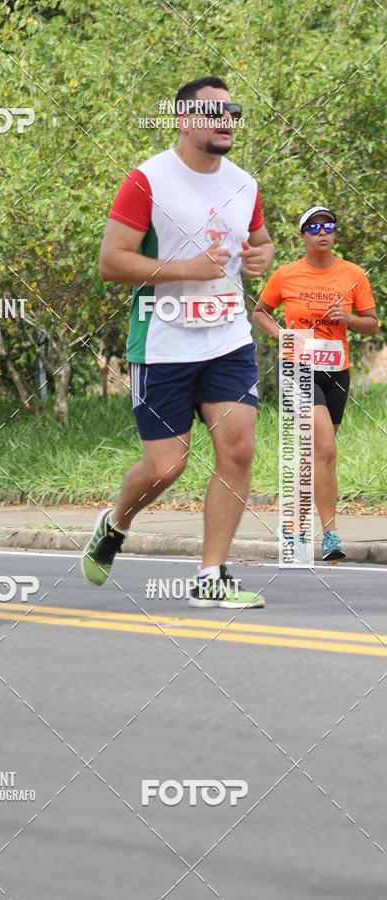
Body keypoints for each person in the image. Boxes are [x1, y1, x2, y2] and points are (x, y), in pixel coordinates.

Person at [82, 76, 275, 608]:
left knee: (237, 449)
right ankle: (115, 522)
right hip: (163, 341)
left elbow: (259, 243)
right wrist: (182, 268)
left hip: (227, 340)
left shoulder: (244, 184)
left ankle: (211, 574)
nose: (226, 120)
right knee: (167, 467)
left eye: (232, 111)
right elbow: (112, 261)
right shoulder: (147, 181)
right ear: (183, 120)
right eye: (214, 113)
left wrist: (264, 257)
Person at [253, 206, 379, 561]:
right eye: (314, 227)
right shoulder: (286, 275)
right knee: (323, 448)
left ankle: (293, 521)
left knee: (318, 454)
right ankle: (330, 534)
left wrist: (349, 317)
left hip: (336, 370)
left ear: (335, 232)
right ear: (303, 235)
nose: (322, 232)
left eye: (328, 226)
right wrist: (283, 336)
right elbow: (259, 312)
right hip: (297, 368)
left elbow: (372, 325)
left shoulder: (353, 274)